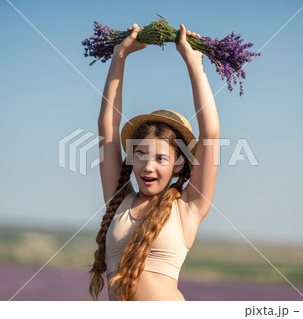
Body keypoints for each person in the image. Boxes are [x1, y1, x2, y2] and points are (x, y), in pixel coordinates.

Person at [89, 22, 220, 301]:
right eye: (141, 155)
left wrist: (193, 62)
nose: (148, 166)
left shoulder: (188, 208)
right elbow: (107, 127)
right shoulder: (119, 199)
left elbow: (210, 133)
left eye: (161, 158)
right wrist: (119, 57)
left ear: (179, 164)